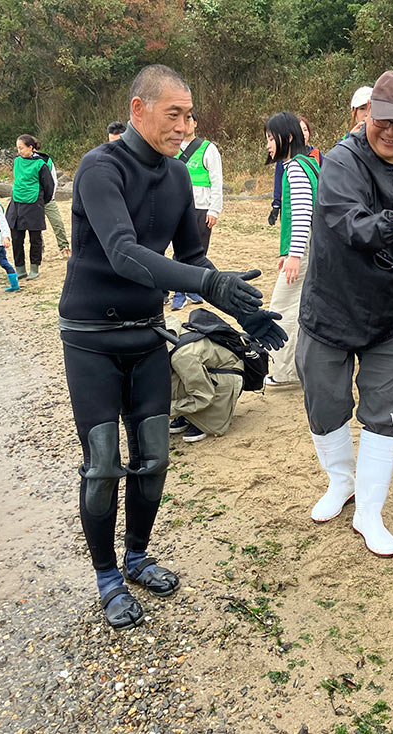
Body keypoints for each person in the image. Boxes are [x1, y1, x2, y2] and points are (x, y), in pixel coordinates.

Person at [58, 64, 285, 630]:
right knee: (104, 464)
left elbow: (191, 258)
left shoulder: (179, 178)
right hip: (90, 338)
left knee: (155, 456)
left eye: (189, 115)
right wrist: (206, 285)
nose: (185, 126)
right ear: (139, 109)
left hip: (146, 332)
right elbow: (122, 252)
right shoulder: (99, 169)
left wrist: (242, 310)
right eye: (173, 114)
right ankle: (107, 576)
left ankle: (137, 556)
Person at [298, 69, 393, 557]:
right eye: (383, 119)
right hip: (331, 306)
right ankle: (341, 482)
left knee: (387, 411)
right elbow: (345, 221)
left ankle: (369, 510)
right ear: (367, 113)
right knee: (324, 401)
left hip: (390, 314)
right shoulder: (341, 161)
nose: (391, 131)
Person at [263, 112, 321, 387]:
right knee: (300, 308)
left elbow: (302, 213)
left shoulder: (295, 168)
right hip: (312, 248)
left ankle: (284, 371)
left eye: (270, 139)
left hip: (306, 250)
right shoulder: (305, 163)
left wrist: (295, 255)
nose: (268, 146)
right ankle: (297, 368)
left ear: (286, 138)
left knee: (282, 307)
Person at [170, 110, 223, 310]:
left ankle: (192, 288)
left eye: (189, 119)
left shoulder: (208, 149)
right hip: (177, 207)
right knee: (177, 251)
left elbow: (217, 180)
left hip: (202, 208)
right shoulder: (171, 147)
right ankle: (179, 292)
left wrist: (214, 210)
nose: (184, 123)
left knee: (198, 250)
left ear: (195, 123)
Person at [166, 313, 245, 443]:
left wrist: (165, 410)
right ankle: (187, 414)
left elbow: (204, 396)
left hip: (227, 378)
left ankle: (202, 419)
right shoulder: (166, 330)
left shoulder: (182, 356)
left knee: (169, 387)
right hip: (207, 371)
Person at [7, 134, 55, 280]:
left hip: (34, 204)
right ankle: (20, 268)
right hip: (16, 204)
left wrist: (41, 201)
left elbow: (49, 186)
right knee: (16, 237)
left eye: (22, 148)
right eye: (18, 148)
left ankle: (34, 267)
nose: (19, 151)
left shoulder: (40, 164)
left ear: (31, 148)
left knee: (35, 238)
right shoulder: (17, 162)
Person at [270, 116, 321, 225]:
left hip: (315, 207)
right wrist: (276, 205)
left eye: (305, 130)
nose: (303, 133)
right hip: (289, 207)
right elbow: (279, 182)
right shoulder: (285, 158)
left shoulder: (316, 155)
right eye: (299, 130)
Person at [30, 139, 71, 259]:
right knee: (35, 226)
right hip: (32, 199)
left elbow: (53, 179)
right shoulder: (21, 161)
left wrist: (50, 196)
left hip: (47, 198)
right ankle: (39, 249)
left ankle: (64, 247)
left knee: (57, 223)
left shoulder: (45, 160)